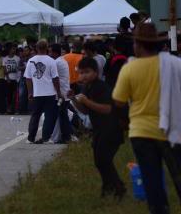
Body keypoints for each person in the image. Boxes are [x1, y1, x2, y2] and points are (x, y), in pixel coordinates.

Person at [113, 23, 181, 214]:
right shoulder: (174, 64)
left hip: (141, 132)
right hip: (173, 130)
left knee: (153, 183)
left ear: (139, 45)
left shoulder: (130, 69)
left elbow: (118, 102)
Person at [69, 57, 125, 199]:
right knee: (99, 161)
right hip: (100, 129)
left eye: (87, 72)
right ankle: (109, 186)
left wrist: (87, 100)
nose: (83, 76)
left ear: (96, 72)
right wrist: (74, 99)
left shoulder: (101, 87)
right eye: (80, 73)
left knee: (104, 160)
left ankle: (118, 187)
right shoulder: (87, 87)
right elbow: (86, 111)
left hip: (111, 129)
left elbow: (107, 109)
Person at [24, 39, 61, 144]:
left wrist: (30, 92)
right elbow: (55, 78)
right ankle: (46, 137)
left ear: (36, 48)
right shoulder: (51, 61)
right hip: (50, 93)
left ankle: (30, 138)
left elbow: (28, 78)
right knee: (49, 116)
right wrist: (58, 92)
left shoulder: (31, 61)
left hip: (37, 93)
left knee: (35, 115)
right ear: (47, 48)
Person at [49, 44, 72, 143]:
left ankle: (65, 137)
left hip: (61, 94)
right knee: (63, 115)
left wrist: (58, 93)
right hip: (64, 92)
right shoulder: (62, 60)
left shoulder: (56, 62)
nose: (49, 54)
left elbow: (55, 79)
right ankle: (64, 136)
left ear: (55, 52)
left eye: (50, 52)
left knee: (62, 116)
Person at [3, 44, 20, 114]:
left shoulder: (17, 58)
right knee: (8, 95)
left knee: (15, 95)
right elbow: (5, 70)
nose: (14, 50)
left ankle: (14, 109)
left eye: (15, 49)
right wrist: (7, 78)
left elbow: (18, 69)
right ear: (9, 50)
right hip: (8, 79)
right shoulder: (5, 59)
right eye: (13, 49)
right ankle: (8, 109)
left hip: (15, 79)